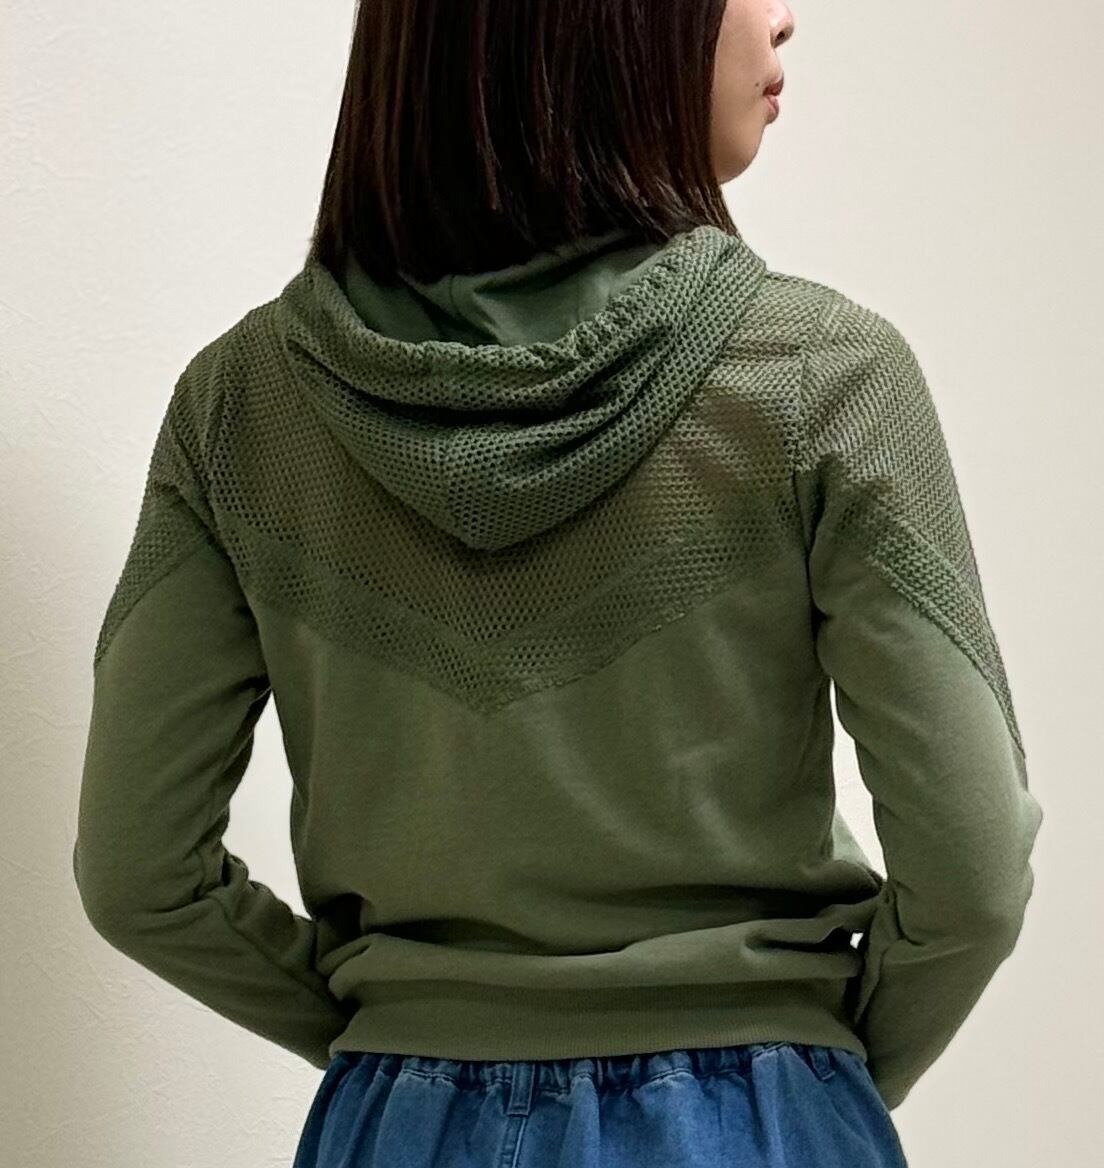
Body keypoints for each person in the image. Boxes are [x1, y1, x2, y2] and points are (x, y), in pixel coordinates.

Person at [72, 2, 1043, 1165]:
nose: (784, 16)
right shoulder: (824, 378)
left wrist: (397, 1025)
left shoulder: (239, 408)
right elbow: (973, 872)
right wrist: (810, 1071)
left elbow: (138, 873)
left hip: (401, 1125)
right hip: (757, 1116)